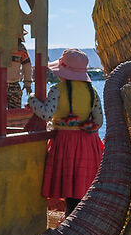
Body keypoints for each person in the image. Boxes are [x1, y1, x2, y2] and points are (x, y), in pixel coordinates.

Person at [40, 48, 103, 211]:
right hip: (89, 145)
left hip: (66, 144)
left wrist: (33, 101)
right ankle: (80, 221)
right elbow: (99, 121)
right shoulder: (92, 92)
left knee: (69, 188)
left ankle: (70, 219)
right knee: (83, 187)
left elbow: (46, 115)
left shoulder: (56, 90)